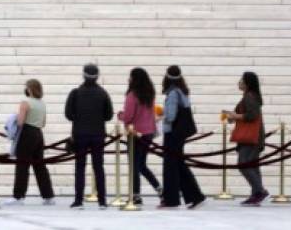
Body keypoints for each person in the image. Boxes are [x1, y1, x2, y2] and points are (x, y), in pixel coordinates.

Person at [64, 63, 113, 209]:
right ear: (97, 76)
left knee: (80, 167)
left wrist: (79, 118)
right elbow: (109, 115)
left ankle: (78, 200)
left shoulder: (76, 93)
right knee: (98, 167)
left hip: (80, 134)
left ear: (83, 75)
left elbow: (68, 114)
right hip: (98, 134)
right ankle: (102, 201)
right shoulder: (103, 93)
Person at [160, 65, 206, 209]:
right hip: (180, 133)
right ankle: (195, 195)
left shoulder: (173, 93)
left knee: (170, 167)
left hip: (172, 133)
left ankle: (171, 199)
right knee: (179, 164)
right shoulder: (182, 91)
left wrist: (162, 116)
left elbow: (171, 116)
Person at [4, 78, 55, 206]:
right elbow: (43, 123)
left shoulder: (25, 103)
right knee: (39, 165)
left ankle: (18, 196)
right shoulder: (42, 103)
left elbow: (20, 122)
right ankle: (48, 196)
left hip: (26, 134)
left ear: (30, 89)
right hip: (38, 134)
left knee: (22, 165)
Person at [224, 71, 268, 205]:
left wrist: (235, 116)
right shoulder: (250, 96)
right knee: (252, 165)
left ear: (247, 83)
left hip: (251, 137)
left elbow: (251, 115)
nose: (240, 83)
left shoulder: (249, 97)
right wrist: (233, 117)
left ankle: (259, 191)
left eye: (242, 80)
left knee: (244, 164)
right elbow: (245, 115)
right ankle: (256, 193)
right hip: (253, 136)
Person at [118, 67, 161, 204]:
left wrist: (120, 115)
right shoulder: (150, 93)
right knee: (141, 165)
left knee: (134, 166)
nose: (128, 79)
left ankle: (135, 195)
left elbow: (128, 116)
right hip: (148, 133)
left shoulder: (132, 95)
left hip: (135, 133)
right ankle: (160, 189)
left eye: (130, 77)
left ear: (134, 79)